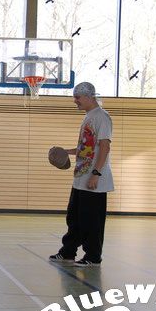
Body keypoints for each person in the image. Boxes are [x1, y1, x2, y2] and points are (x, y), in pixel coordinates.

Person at [49, 82, 114, 267]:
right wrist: (66, 152)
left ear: (88, 96)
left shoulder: (101, 117)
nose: (75, 101)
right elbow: (86, 148)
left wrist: (96, 173)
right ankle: (68, 252)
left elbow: (105, 147)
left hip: (94, 179)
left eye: (77, 97)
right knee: (74, 218)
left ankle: (93, 257)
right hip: (80, 178)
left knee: (91, 221)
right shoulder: (88, 117)